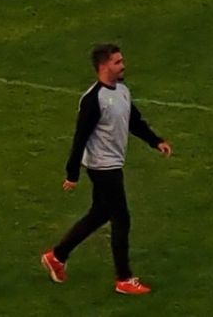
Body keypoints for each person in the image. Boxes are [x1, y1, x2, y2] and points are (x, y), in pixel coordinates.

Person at [41, 43, 173, 296]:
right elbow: (80, 137)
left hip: (112, 163)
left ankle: (57, 256)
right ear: (103, 66)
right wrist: (72, 174)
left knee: (100, 213)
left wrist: (156, 141)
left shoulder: (122, 91)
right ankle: (124, 278)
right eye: (117, 62)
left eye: (122, 60)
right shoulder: (93, 100)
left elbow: (134, 122)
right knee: (121, 218)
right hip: (103, 166)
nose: (123, 65)